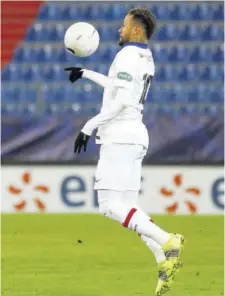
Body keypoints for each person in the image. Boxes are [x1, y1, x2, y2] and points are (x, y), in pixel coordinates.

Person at [65, 8, 184, 296]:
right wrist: (87, 73)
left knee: (109, 205)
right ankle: (163, 259)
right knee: (129, 207)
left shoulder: (127, 55)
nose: (119, 30)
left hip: (120, 135)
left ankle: (168, 240)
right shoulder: (144, 56)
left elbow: (123, 101)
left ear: (136, 30)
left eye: (124, 25)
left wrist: (89, 125)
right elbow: (120, 88)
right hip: (134, 136)